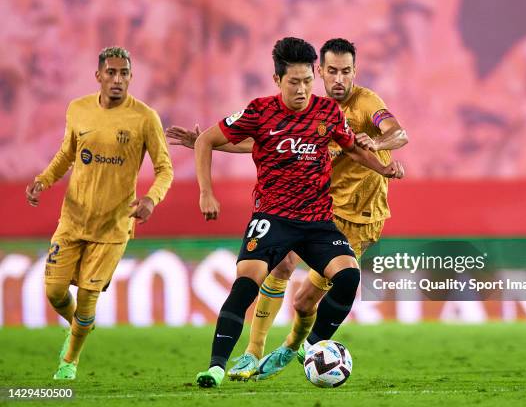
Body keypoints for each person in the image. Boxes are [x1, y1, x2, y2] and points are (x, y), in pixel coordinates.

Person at [166, 38, 407, 381]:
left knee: (315, 296)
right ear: (284, 78)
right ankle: (237, 358)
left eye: (346, 71)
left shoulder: (349, 107)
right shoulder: (264, 109)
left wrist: (382, 159)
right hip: (285, 214)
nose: (336, 80)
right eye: (329, 72)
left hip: (342, 218)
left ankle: (306, 346)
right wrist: (210, 173)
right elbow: (251, 139)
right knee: (264, 276)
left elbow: (381, 139)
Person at [25, 46, 173, 380]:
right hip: (73, 219)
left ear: (131, 78)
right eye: (111, 73)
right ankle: (79, 325)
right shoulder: (78, 109)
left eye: (124, 74)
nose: (118, 79)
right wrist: (43, 180)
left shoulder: (145, 117)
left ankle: (69, 362)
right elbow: (67, 153)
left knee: (89, 297)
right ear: (98, 76)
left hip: (114, 226)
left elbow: (165, 169)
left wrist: (151, 198)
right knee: (54, 292)